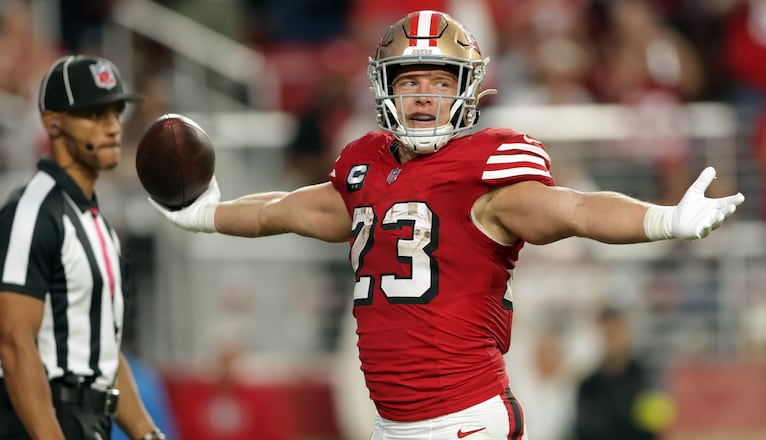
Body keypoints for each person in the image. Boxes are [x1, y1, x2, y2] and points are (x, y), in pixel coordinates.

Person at [150, 10, 744, 439]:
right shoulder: (364, 167)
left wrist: (664, 219)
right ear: (386, 90)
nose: (426, 97)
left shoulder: (486, 171)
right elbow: (284, 210)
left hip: (465, 420)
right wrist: (206, 214)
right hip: (390, 422)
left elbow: (575, 210)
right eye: (412, 82)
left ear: (466, 91)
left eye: (441, 82)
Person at [0, 54, 166, 440]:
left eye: (116, 112)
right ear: (53, 123)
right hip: (42, 420)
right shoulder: (29, 213)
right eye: (95, 114)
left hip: (91, 421)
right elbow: (14, 345)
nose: (113, 127)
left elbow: (104, 357)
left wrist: (149, 435)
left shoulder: (99, 226)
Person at [574, 305, 668, 440]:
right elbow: (582, 431)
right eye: (606, 333)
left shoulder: (644, 377)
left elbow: (658, 429)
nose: (611, 340)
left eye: (615, 332)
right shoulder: (588, 386)